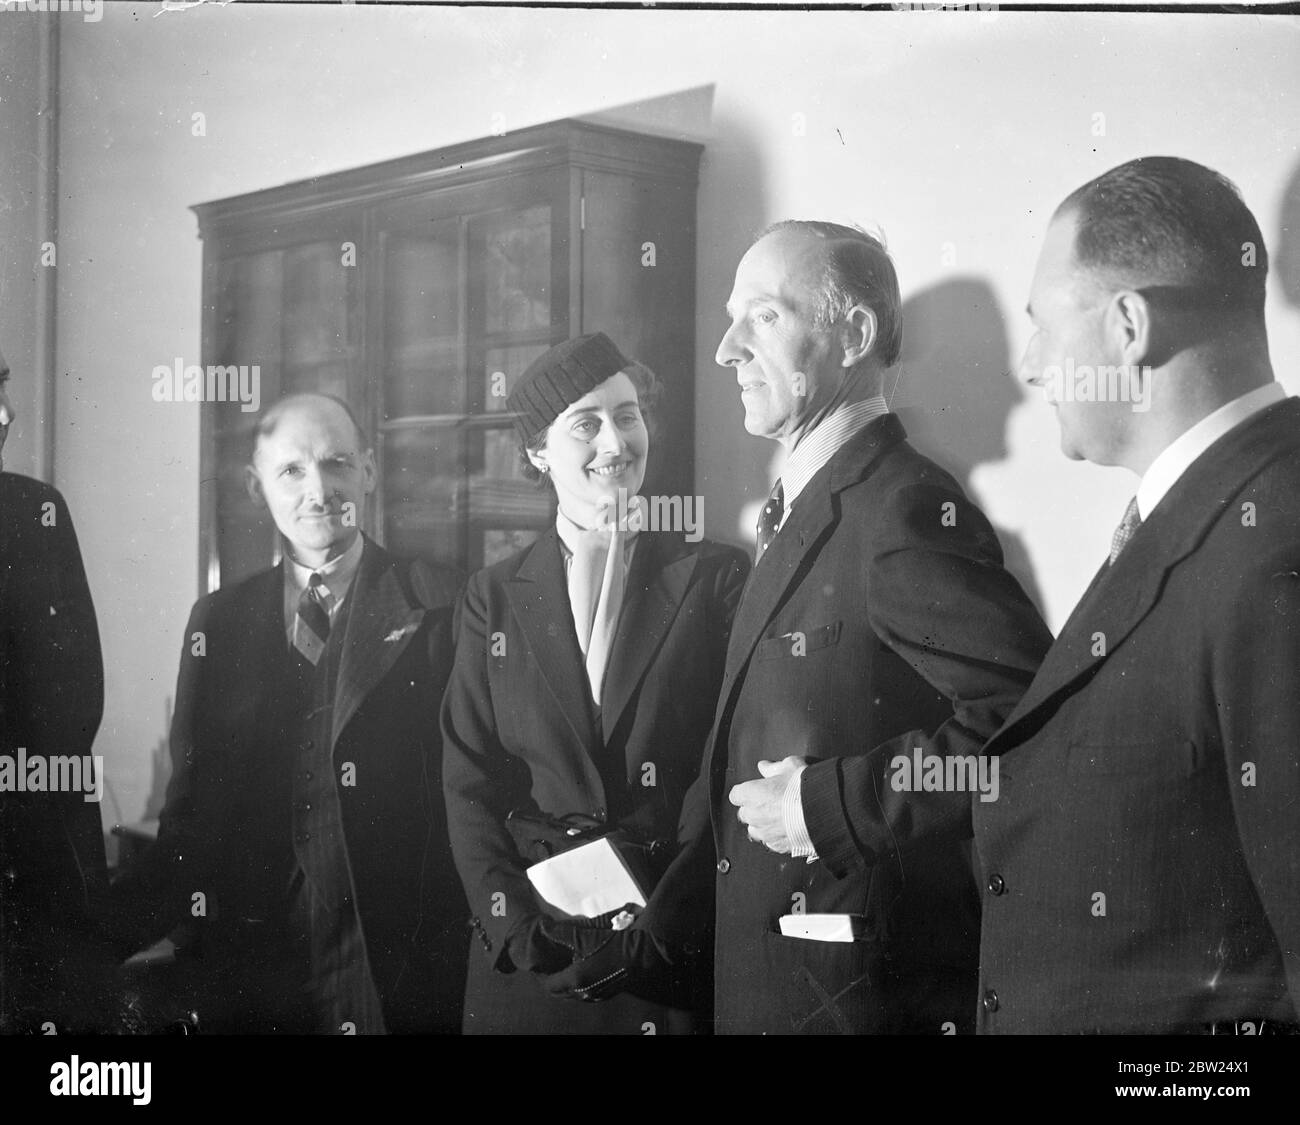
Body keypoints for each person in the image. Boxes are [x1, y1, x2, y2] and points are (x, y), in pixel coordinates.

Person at [659, 221, 1053, 1035]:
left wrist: (835, 803)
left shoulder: (901, 507)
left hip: (851, 1000)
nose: (727, 348)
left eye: (763, 317)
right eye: (733, 319)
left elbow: (1027, 725)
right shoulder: (802, 504)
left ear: (855, 334)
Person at [111, 392, 466, 1033]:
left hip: (392, 972)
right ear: (256, 486)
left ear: (369, 470)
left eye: (336, 463)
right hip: (255, 975)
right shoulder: (218, 623)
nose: (320, 489)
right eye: (292, 471)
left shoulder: (443, 604)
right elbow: (189, 819)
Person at [441, 332, 750, 1034]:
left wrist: (661, 928)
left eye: (628, 414)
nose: (615, 440)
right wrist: (514, 925)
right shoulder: (491, 597)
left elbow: (724, 765)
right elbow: (467, 780)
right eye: (586, 423)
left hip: (665, 954)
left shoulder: (714, 578)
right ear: (538, 452)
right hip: (533, 962)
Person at [0, 344, 116, 1033]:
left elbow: (78, 691)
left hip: (40, 842)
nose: (7, 413)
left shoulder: (36, 511)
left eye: (4, 389)